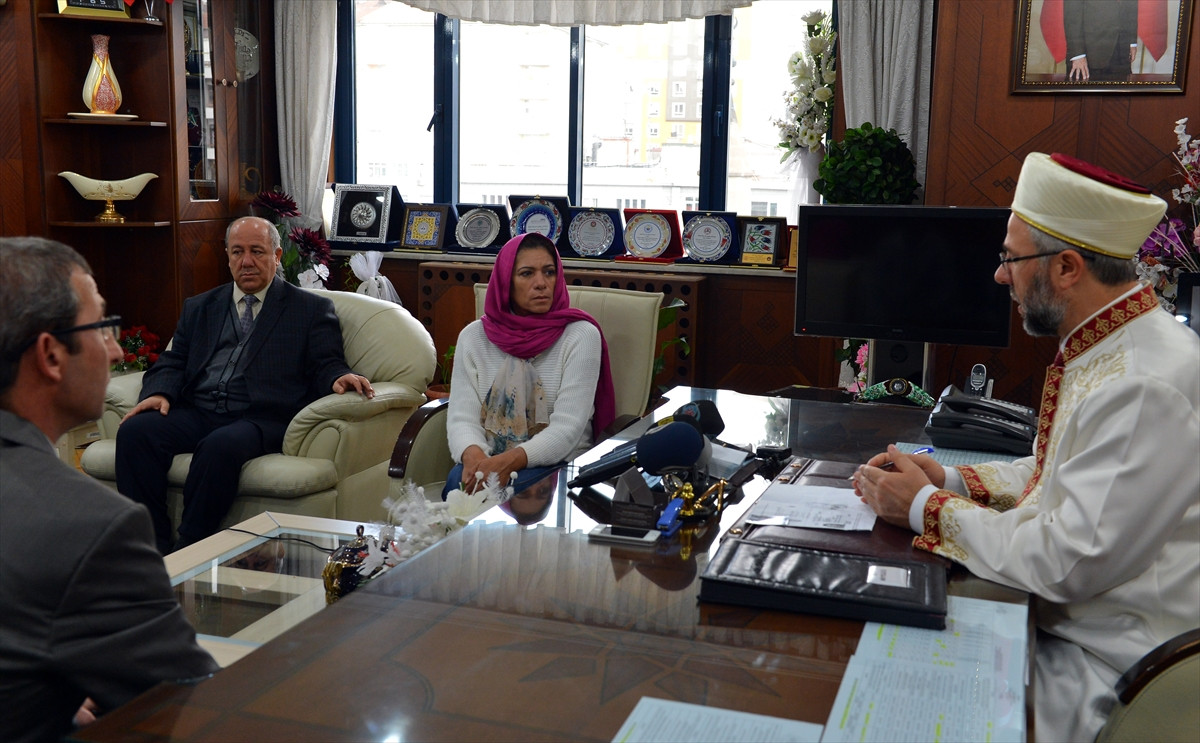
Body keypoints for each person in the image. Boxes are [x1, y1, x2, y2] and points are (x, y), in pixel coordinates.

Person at [852, 153, 1200, 743]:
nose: (999, 275)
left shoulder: (1143, 382)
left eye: (1011, 258)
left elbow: (1066, 561)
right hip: (1060, 623)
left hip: (1107, 665)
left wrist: (922, 507)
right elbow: (1053, 473)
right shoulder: (1111, 343)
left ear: (1066, 267)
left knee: (892, 698)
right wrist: (950, 481)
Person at [0, 237, 219, 743]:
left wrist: (41, 697)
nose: (118, 350)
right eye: (102, 327)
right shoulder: (90, 527)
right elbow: (195, 707)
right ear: (51, 355)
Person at [115, 216, 375, 553]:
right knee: (136, 432)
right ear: (227, 256)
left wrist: (338, 376)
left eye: (257, 251)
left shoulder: (309, 309)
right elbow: (174, 360)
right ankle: (150, 550)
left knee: (219, 447)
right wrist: (160, 392)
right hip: (200, 409)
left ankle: (191, 549)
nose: (246, 261)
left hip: (260, 416)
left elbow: (326, 361)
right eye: (237, 252)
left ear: (276, 256)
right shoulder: (200, 307)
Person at [445, 232, 616, 496]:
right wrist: (474, 456)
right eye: (527, 274)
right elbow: (462, 417)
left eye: (549, 272)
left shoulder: (581, 335)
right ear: (506, 282)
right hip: (490, 458)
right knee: (457, 483)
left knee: (510, 491)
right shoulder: (473, 337)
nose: (541, 283)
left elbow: (567, 429)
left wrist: (508, 462)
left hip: (558, 464)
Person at [1063, 0, 1138, 81]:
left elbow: (1131, 4)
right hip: (1090, 54)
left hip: (1122, 49)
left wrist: (1132, 41)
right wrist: (1077, 54)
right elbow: (1072, 14)